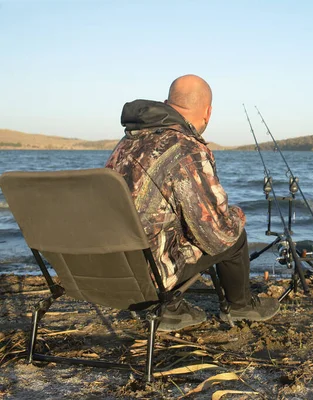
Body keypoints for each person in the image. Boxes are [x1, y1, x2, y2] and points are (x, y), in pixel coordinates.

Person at [106, 74, 279, 331]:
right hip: (150, 276)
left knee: (174, 225)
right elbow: (217, 234)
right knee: (232, 232)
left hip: (110, 267)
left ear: (167, 103)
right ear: (208, 112)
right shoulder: (185, 147)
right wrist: (236, 216)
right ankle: (240, 306)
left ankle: (172, 307)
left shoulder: (127, 142)